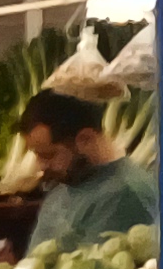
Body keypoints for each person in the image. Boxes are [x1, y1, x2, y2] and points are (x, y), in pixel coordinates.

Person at [18, 91, 155, 251]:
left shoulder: (124, 196)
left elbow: (96, 266)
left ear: (85, 139)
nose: (40, 166)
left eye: (48, 155)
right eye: (37, 155)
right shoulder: (65, 186)